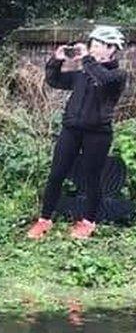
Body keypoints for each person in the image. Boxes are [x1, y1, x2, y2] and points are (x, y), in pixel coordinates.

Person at [27, 25, 129, 240]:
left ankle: (88, 222)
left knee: (92, 178)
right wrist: (57, 60)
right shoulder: (83, 73)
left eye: (100, 45)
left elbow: (102, 78)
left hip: (98, 134)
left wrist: (86, 59)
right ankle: (44, 220)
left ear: (112, 49)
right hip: (71, 130)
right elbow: (54, 80)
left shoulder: (117, 75)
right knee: (56, 174)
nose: (95, 48)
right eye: (94, 43)